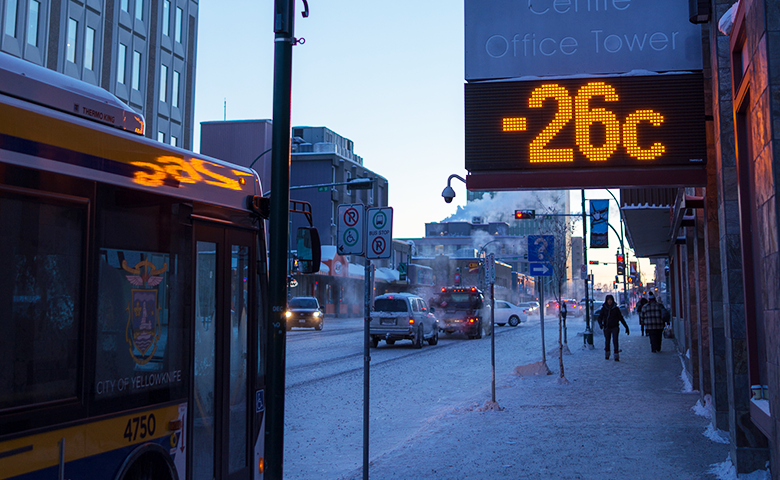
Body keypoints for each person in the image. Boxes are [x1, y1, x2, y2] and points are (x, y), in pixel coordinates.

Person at [598, 294, 629, 361]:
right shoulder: (604, 309)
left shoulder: (616, 309)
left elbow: (621, 318)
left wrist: (626, 326)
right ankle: (607, 353)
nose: (609, 301)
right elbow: (600, 317)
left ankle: (616, 354)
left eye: (610, 300)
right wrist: (600, 324)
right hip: (607, 327)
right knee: (607, 341)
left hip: (615, 326)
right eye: (608, 300)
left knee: (615, 340)